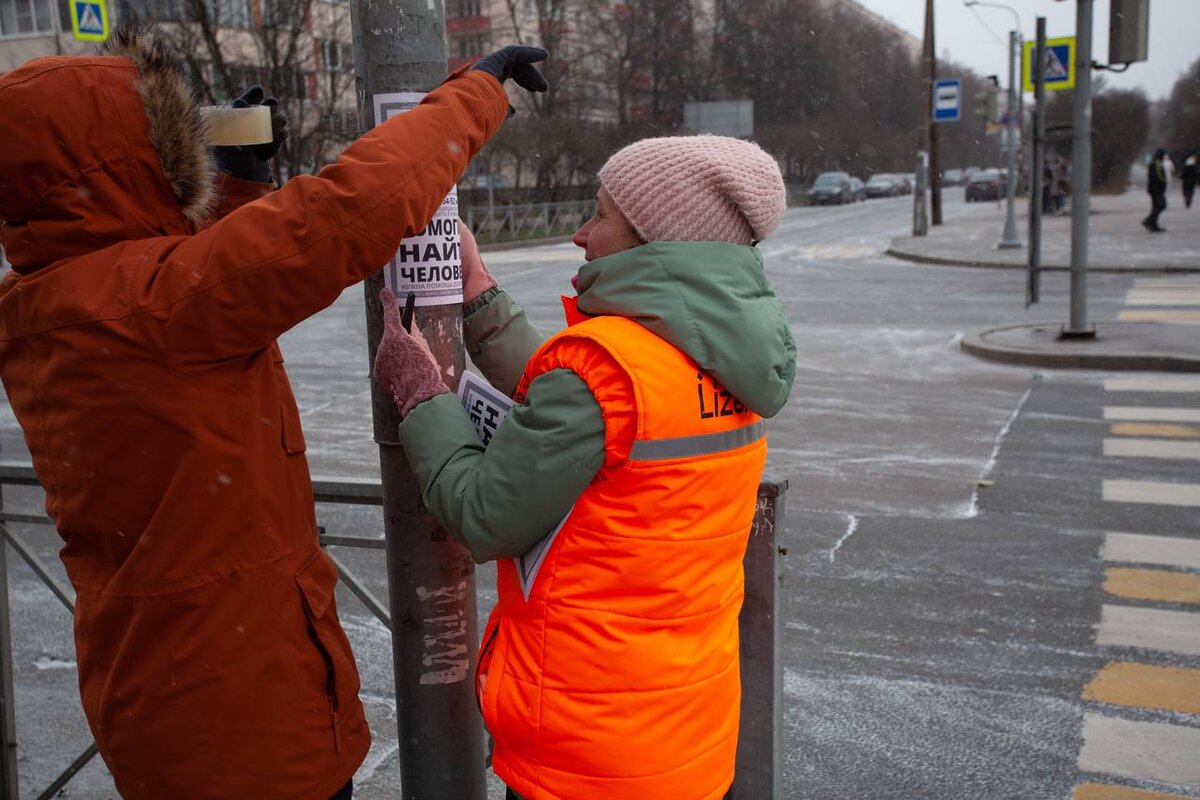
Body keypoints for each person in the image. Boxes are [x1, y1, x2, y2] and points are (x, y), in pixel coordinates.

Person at [0, 21, 546, 800]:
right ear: (120, 162)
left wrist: (238, 188)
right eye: (162, 145)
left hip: (169, 699)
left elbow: (208, 295)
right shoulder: (149, 304)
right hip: (247, 723)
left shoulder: (54, 301)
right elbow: (342, 212)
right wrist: (476, 94)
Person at [372, 135, 796, 799]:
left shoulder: (605, 369)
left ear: (652, 242)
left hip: (588, 752)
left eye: (601, 216)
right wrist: (482, 298)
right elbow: (593, 413)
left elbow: (484, 515)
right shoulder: (721, 355)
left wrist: (421, 395)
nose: (580, 234)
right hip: (681, 734)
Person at [1144, 148, 1168, 232]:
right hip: (1156, 189)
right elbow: (1159, 177)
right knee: (1161, 205)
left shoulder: (1155, 163)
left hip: (1154, 188)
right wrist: (1163, 183)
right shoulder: (1157, 164)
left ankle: (1153, 225)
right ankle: (1148, 221)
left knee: (1156, 206)